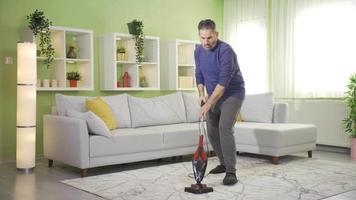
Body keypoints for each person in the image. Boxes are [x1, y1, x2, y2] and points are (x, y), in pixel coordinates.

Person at [195, 19, 245, 185]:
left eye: (209, 37)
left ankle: (231, 171)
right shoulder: (198, 51)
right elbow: (199, 74)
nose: (206, 42)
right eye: (202, 38)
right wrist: (202, 94)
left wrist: (208, 104)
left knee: (224, 127)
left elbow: (222, 85)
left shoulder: (226, 51)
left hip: (232, 93)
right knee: (211, 129)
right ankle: (223, 164)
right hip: (212, 95)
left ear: (216, 34)